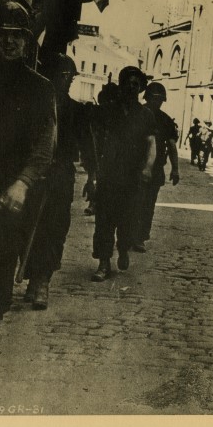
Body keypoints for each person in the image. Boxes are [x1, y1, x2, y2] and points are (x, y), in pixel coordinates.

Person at [0, 0, 56, 379]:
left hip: (9, 195)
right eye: (3, 34)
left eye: (18, 36)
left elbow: (45, 145)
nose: (10, 42)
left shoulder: (39, 88)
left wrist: (24, 181)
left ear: (28, 42)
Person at [23, 54, 92, 310]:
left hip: (60, 175)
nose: (66, 81)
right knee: (27, 226)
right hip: (32, 174)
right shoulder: (34, 104)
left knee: (54, 227)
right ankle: (31, 276)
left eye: (70, 77)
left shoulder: (76, 110)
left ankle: (43, 281)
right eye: (63, 76)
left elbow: (87, 145)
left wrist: (93, 176)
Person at [90, 66, 156, 282]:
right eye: (128, 83)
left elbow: (151, 143)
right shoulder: (109, 110)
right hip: (109, 174)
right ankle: (103, 263)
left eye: (136, 84)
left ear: (141, 88)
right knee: (104, 220)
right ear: (122, 85)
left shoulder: (145, 115)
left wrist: (148, 167)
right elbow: (95, 138)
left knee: (129, 219)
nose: (131, 87)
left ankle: (124, 249)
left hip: (132, 176)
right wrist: (94, 171)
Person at [132, 82, 180, 253]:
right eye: (154, 99)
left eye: (160, 100)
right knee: (132, 202)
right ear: (147, 98)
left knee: (147, 204)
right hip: (133, 166)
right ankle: (128, 235)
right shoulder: (137, 113)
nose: (157, 103)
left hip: (155, 169)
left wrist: (175, 168)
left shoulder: (165, 120)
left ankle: (140, 237)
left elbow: (172, 146)